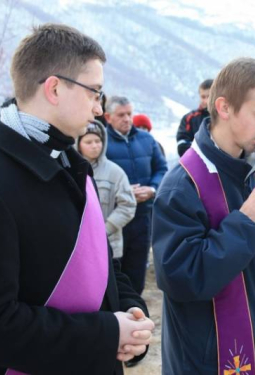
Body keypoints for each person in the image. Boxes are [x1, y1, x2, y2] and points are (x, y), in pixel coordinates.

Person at [0, 23, 154, 374]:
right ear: (54, 88)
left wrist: (130, 313)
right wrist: (108, 334)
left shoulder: (68, 160)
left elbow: (99, 261)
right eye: (94, 92)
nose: (100, 109)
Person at [153, 57, 255, 374]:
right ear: (224, 108)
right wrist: (245, 219)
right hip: (215, 358)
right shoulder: (181, 186)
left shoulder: (253, 170)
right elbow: (182, 280)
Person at [105, 96, 167, 295]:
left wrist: (152, 189)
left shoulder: (147, 140)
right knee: (114, 271)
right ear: (108, 117)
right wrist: (122, 193)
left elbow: (162, 169)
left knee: (137, 270)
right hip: (114, 219)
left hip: (143, 215)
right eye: (121, 115)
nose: (127, 119)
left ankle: (135, 310)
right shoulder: (101, 143)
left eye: (130, 114)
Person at [76, 120, 136, 259]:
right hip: (78, 247)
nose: (95, 146)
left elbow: (128, 205)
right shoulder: (71, 170)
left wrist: (105, 229)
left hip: (109, 247)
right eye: (88, 142)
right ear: (78, 144)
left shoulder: (115, 172)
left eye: (98, 141)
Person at [176, 78, 213, 156]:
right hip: (195, 165)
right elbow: (182, 146)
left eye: (209, 97)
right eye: (203, 97)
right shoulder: (188, 118)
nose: (206, 101)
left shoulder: (224, 118)